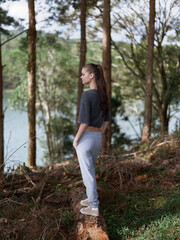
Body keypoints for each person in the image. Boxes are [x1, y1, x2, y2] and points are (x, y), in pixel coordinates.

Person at [73, 63, 110, 217]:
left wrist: (76, 139)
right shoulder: (103, 95)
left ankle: (94, 207)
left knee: (87, 173)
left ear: (91, 75)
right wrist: (99, 133)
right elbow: (107, 120)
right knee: (90, 170)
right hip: (97, 138)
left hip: (86, 137)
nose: (81, 77)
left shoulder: (86, 95)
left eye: (83, 74)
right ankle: (91, 199)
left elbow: (84, 122)